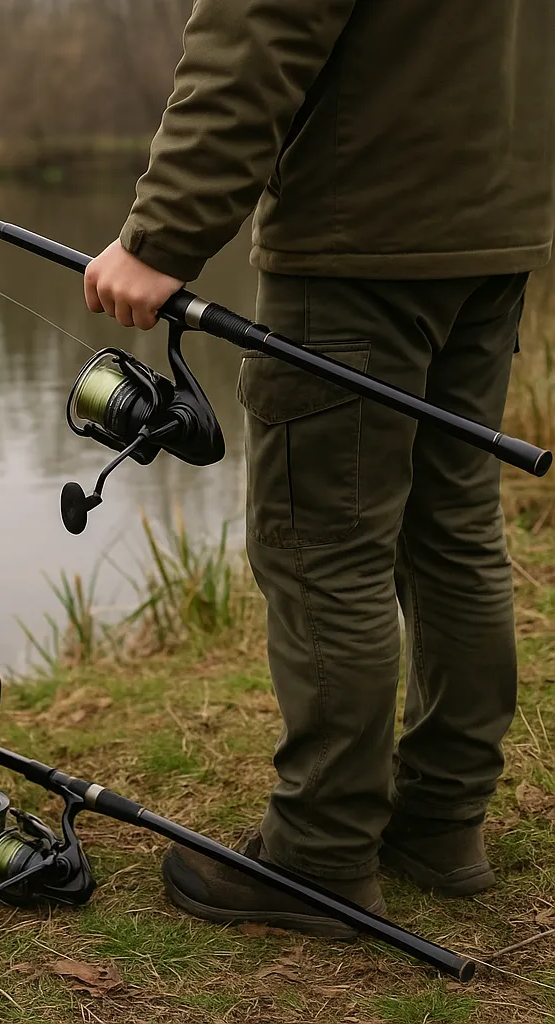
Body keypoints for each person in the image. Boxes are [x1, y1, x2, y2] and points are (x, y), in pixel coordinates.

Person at [84, 0, 555, 937]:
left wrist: (161, 239)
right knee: (453, 527)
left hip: (360, 237)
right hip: (494, 228)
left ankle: (322, 853)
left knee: (321, 549)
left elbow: (256, 33)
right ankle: (440, 824)